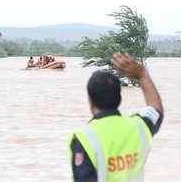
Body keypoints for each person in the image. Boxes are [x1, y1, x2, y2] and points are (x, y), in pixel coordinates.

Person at [69, 53, 164, 182]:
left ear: (90, 100)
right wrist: (142, 75)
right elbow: (156, 109)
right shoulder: (140, 126)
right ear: (119, 98)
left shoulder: (84, 137)